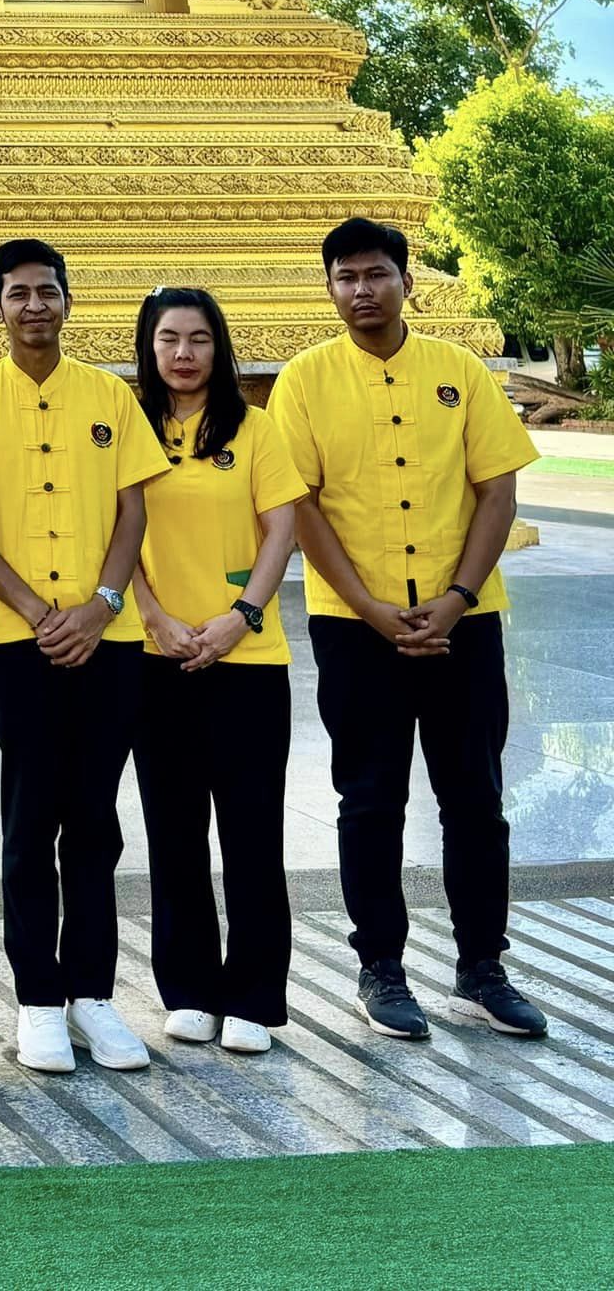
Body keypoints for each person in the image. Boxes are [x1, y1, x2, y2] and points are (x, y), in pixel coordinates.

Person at [270, 216, 547, 1041]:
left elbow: (498, 491)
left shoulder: (459, 372)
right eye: (347, 277)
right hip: (358, 629)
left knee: (475, 799)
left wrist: (458, 597)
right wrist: (370, 607)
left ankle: (483, 966)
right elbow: (300, 504)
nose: (363, 290)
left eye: (377, 274)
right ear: (329, 288)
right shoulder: (305, 382)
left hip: (466, 621)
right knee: (370, 799)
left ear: (407, 282)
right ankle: (380, 968)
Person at [0, 239, 171, 1075]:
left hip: (111, 642)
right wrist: (39, 614)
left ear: (69, 303)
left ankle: (93, 996)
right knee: (31, 821)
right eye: (19, 294)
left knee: (96, 823)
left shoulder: (109, 396)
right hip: (18, 644)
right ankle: (37, 999)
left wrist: (103, 607)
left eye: (49, 292)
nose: (35, 306)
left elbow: (133, 511)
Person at [128, 288, 305, 1056]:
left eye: (199, 339)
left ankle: (256, 996)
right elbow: (117, 532)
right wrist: (155, 617)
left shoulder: (256, 430)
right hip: (154, 656)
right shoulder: (127, 429)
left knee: (252, 832)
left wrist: (241, 617)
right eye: (169, 339)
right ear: (149, 347)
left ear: (219, 348)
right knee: (173, 833)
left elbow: (283, 529)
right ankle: (191, 989)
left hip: (248, 661)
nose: (184, 354)